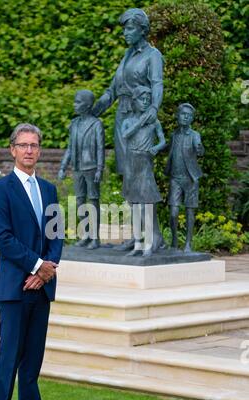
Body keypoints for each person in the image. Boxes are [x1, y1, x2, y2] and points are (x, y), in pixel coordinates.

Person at [0, 123, 64, 400]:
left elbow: (56, 234)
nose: (29, 150)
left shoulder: (49, 190)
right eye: (23, 145)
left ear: (39, 150)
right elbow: (2, 238)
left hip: (42, 287)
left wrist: (47, 269)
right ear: (12, 150)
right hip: (14, 287)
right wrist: (36, 266)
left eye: (34, 145)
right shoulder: (0, 190)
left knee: (33, 355)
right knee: (11, 354)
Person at [92, 8, 163, 251]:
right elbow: (112, 90)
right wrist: (95, 109)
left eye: (130, 28)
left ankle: (155, 236)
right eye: (124, 28)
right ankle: (136, 236)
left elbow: (157, 84)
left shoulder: (152, 55)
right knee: (129, 180)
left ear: (142, 30)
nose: (125, 33)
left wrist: (153, 108)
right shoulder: (126, 56)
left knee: (143, 180)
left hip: (139, 120)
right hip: (122, 119)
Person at [121, 86, 166, 256]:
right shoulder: (128, 121)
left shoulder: (154, 121)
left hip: (145, 162)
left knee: (147, 204)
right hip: (131, 163)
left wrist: (156, 148)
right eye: (142, 99)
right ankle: (138, 242)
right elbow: (125, 135)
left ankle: (150, 241)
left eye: (148, 99)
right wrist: (140, 122)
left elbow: (162, 141)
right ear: (134, 101)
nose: (145, 102)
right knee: (134, 205)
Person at [58, 90, 105, 249]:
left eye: (78, 102)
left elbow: (100, 148)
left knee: (93, 201)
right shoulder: (74, 123)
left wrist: (100, 168)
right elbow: (70, 148)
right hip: (77, 167)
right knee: (79, 202)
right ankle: (84, 234)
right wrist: (64, 166)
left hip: (91, 167)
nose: (74, 104)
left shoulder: (96, 124)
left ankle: (95, 238)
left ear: (88, 104)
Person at [165, 103, 204, 252]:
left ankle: (188, 242)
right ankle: (174, 240)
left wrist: (199, 148)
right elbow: (168, 148)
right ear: (177, 115)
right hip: (175, 178)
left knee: (189, 211)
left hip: (190, 178)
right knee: (174, 212)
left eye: (189, 115)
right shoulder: (174, 135)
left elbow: (199, 149)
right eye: (183, 114)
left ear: (192, 119)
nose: (186, 117)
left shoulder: (195, 135)